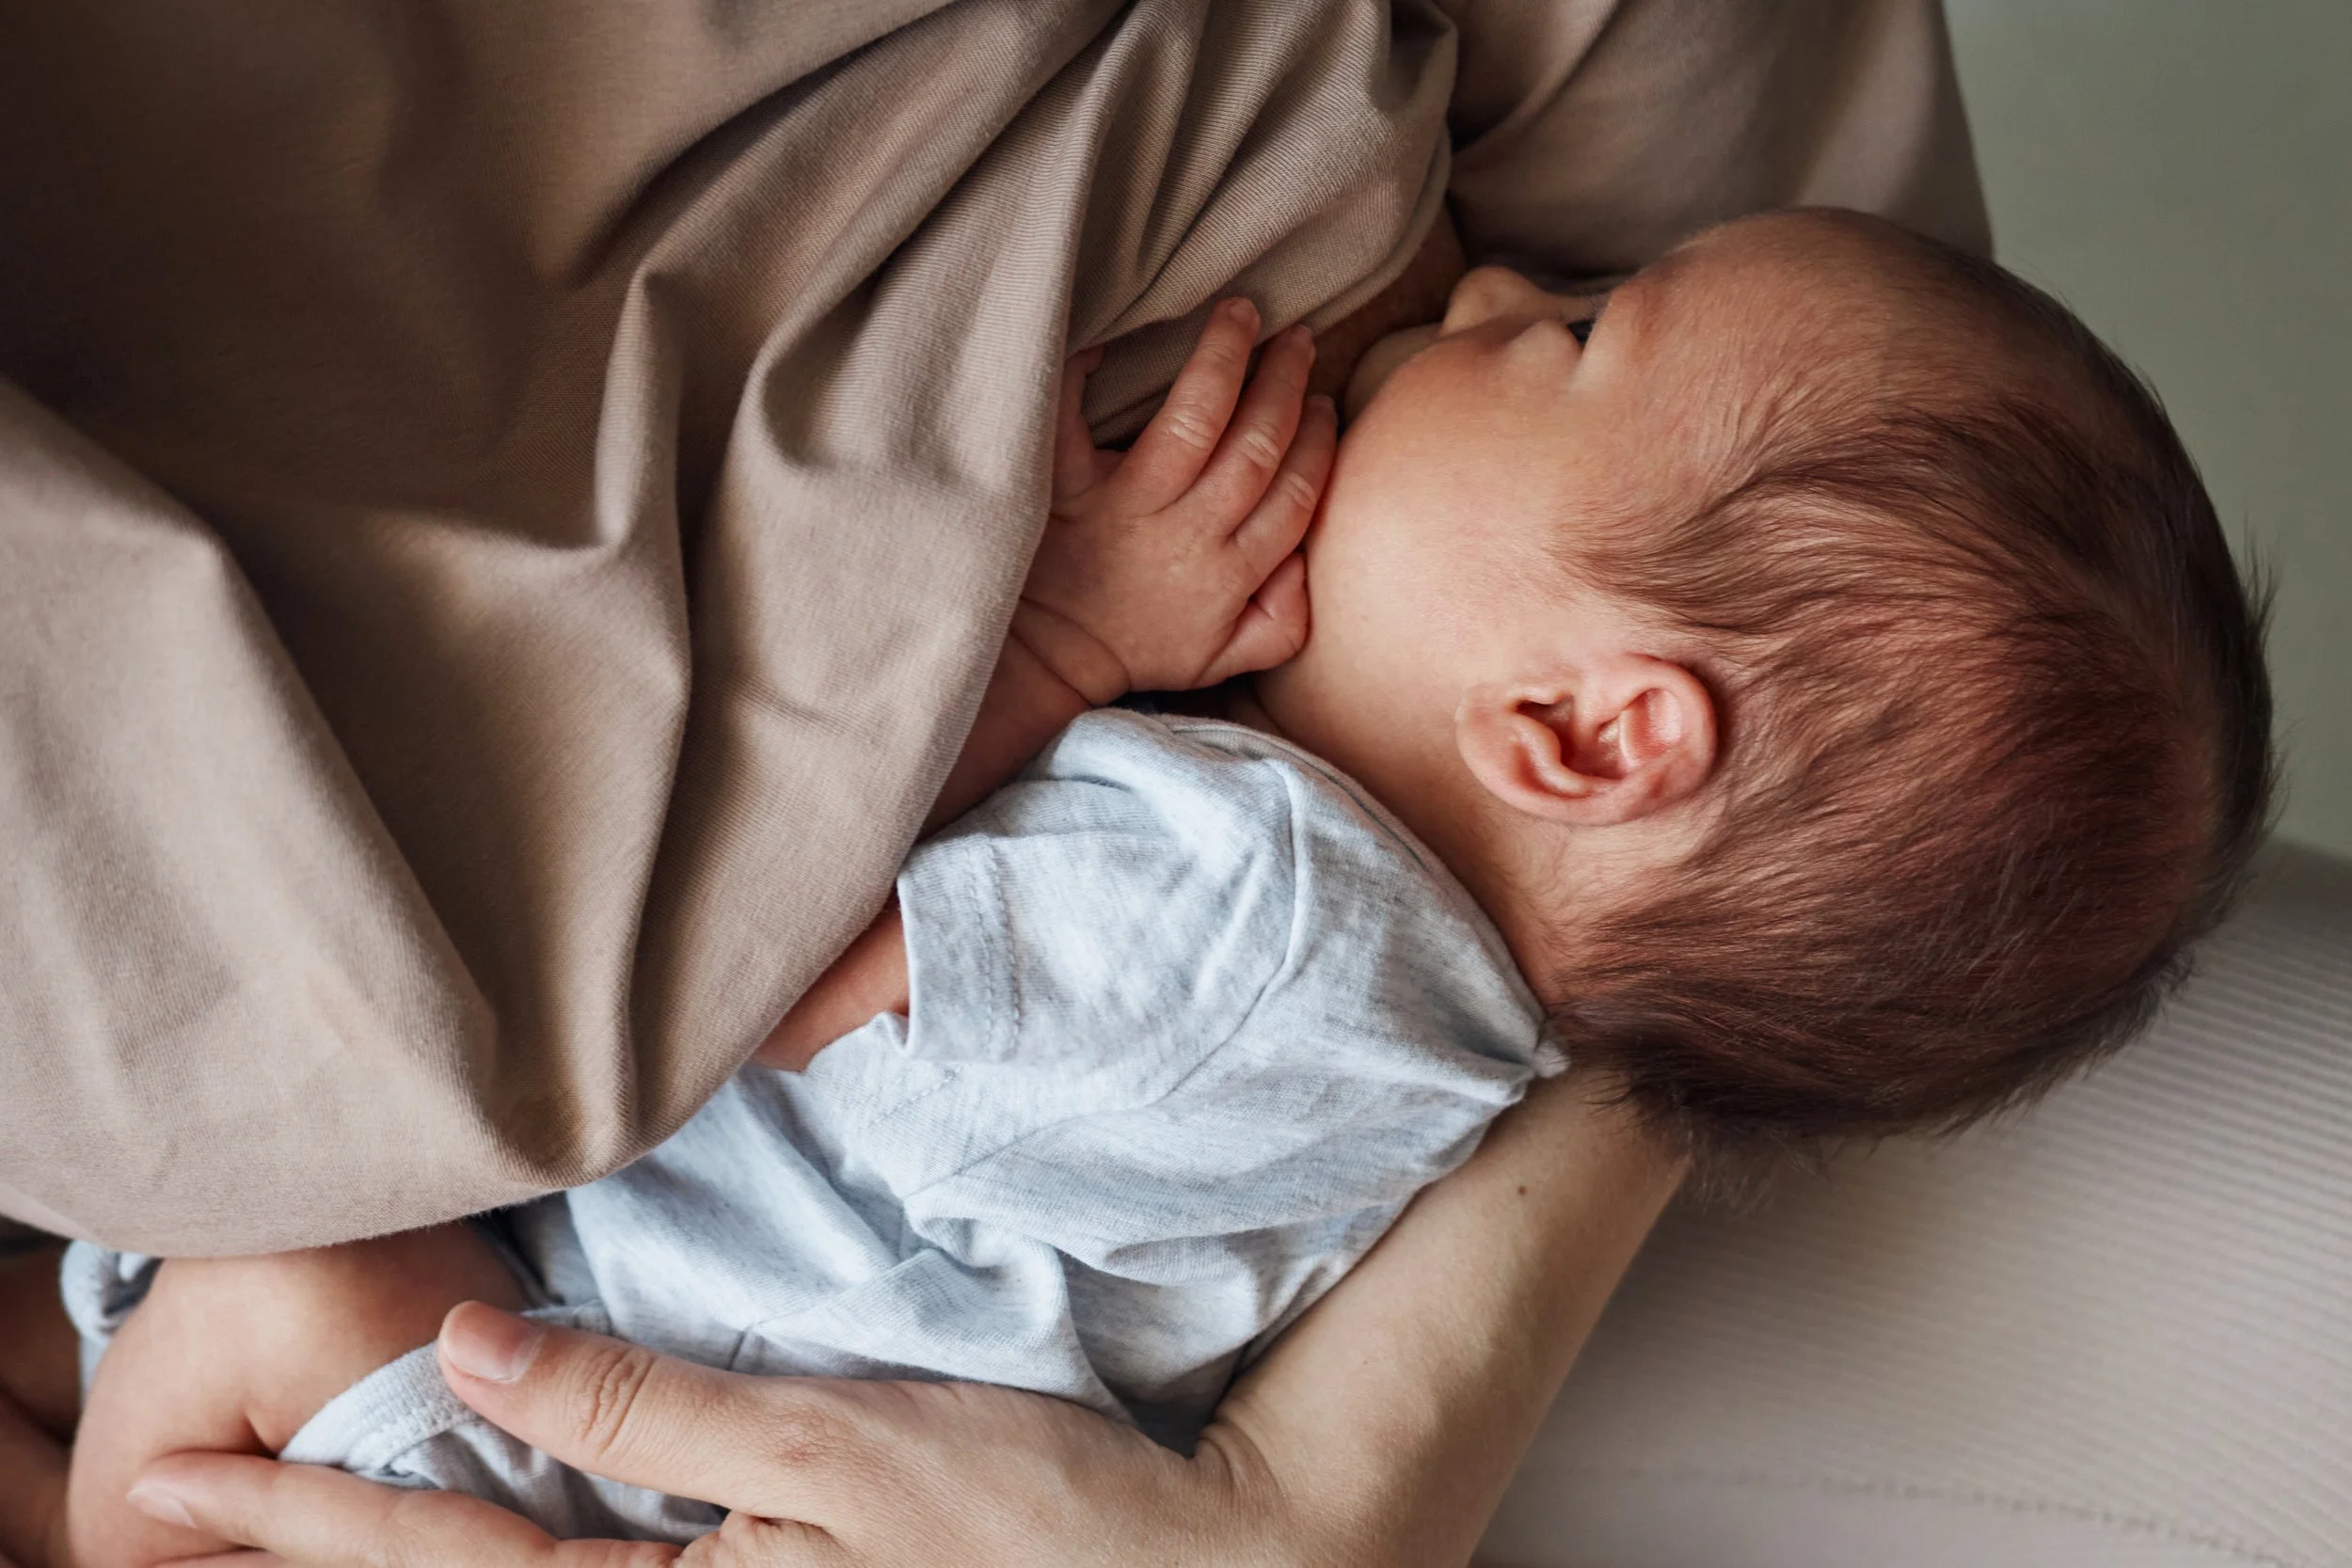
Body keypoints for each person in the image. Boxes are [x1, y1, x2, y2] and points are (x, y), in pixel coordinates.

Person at [0, 4, 2008, 1563]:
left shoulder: (1250, 913)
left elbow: (778, 979)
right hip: (608, 1339)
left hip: (544, 1344)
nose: (1490, 301)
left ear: (1583, 734)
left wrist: (1049, 650)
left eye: (1563, 340)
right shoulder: (1428, 1015)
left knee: (273, 1279)